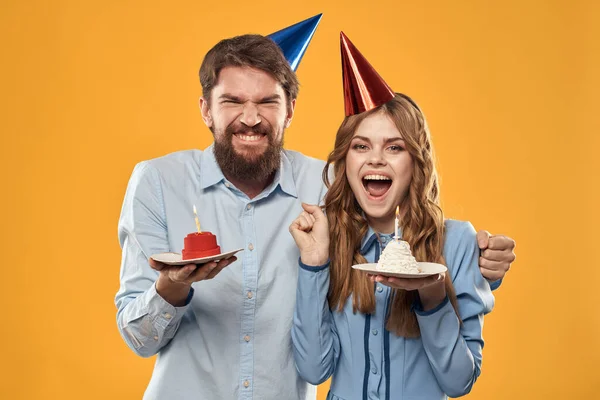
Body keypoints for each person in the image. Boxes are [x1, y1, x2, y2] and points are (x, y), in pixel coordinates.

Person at [115, 26, 515, 400]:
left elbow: (395, 235)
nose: (251, 118)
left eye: (267, 101)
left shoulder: (327, 186)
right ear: (206, 109)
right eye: (233, 101)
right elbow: (139, 338)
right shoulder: (158, 182)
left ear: (289, 109)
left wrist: (479, 265)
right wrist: (173, 285)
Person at [289, 32, 497, 399]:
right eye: (361, 146)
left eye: (394, 147)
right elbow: (314, 369)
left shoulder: (459, 242)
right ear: (345, 160)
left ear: (416, 161)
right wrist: (313, 264)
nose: (375, 159)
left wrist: (432, 296)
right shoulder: (332, 242)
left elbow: (459, 381)